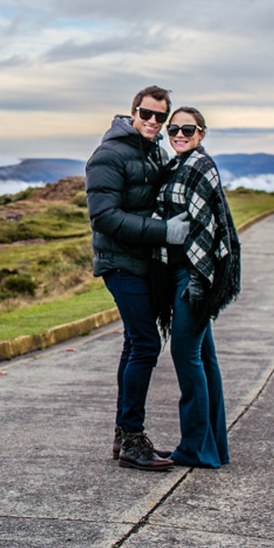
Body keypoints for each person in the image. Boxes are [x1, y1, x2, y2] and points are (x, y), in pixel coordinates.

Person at [85, 86, 190, 472]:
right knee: (146, 343)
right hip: (118, 263)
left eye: (160, 117)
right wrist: (163, 231)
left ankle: (123, 435)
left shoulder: (153, 151)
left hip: (141, 262)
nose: (153, 122)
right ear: (133, 112)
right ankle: (132, 437)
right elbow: (105, 217)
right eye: (147, 114)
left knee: (135, 343)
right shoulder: (109, 155)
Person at [152, 106, 240, 468]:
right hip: (182, 271)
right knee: (204, 358)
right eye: (174, 128)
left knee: (186, 356)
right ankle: (213, 446)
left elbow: (206, 228)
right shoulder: (176, 165)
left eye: (188, 129)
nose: (179, 134)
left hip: (193, 275)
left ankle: (194, 448)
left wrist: (200, 279)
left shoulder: (201, 166)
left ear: (202, 133)